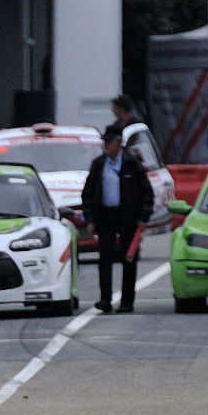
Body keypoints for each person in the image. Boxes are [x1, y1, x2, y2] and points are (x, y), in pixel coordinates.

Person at [81, 126, 153, 314]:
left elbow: (147, 192)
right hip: (105, 215)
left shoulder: (132, 163)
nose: (106, 145)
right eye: (104, 142)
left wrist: (143, 217)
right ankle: (105, 299)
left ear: (118, 143)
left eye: (109, 142)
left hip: (128, 216)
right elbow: (87, 193)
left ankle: (127, 301)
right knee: (105, 256)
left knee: (128, 258)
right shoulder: (98, 164)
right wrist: (90, 218)